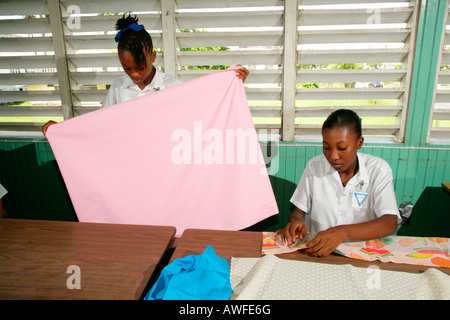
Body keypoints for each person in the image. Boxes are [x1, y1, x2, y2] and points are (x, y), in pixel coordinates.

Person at [42, 14, 249, 135]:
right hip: (130, 165)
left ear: (153, 56)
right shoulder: (118, 88)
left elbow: (203, 111)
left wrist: (231, 84)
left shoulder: (172, 87)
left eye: (140, 67)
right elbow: (96, 124)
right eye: (126, 68)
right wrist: (62, 130)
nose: (134, 74)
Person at [276, 109, 401, 257]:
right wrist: (297, 222)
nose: (333, 156)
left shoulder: (378, 170)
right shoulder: (315, 166)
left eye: (342, 148)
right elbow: (298, 211)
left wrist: (342, 233)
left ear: (359, 143)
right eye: (326, 147)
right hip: (317, 251)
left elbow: (389, 223)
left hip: (361, 253)